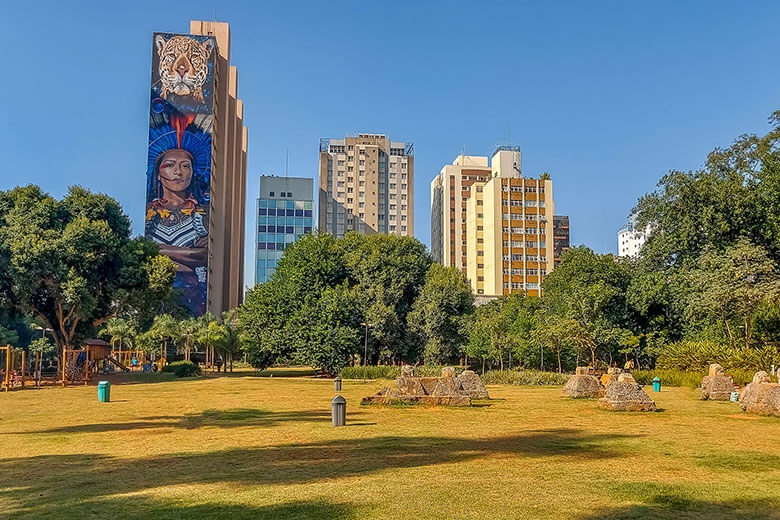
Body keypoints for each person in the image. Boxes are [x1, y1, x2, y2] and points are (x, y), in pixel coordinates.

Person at [145, 148, 209, 272]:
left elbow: (204, 256)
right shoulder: (148, 211)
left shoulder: (205, 213)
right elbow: (137, 248)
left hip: (194, 288)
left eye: (185, 166)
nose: (178, 172)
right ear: (158, 174)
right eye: (169, 165)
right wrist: (187, 253)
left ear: (192, 173)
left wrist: (154, 249)